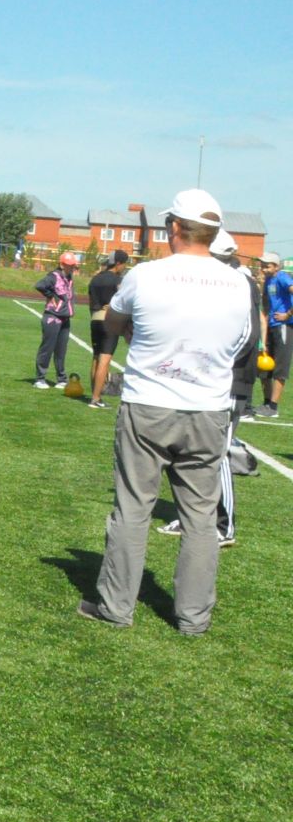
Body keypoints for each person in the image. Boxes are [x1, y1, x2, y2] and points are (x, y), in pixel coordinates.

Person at [78, 189, 251, 633]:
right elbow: (240, 345)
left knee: (133, 508)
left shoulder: (147, 274)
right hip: (208, 409)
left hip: (150, 404)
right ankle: (193, 618)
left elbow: (112, 320)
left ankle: (117, 607)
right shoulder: (237, 281)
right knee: (200, 517)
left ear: (174, 227)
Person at [158, 231, 259, 547]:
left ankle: (225, 524)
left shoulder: (239, 284)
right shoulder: (221, 283)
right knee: (190, 451)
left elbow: (247, 334)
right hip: (211, 380)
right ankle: (191, 516)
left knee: (219, 452)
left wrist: (215, 364)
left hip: (230, 382)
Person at [86, 251, 131, 408]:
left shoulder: (96, 278)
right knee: (105, 360)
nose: (124, 267)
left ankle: (94, 393)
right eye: (124, 264)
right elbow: (124, 301)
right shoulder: (119, 280)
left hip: (95, 319)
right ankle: (96, 399)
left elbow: (91, 301)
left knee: (96, 357)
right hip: (108, 320)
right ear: (118, 263)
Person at [32, 251, 80, 389]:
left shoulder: (69, 277)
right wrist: (50, 295)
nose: (72, 267)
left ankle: (61, 378)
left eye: (73, 265)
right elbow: (40, 285)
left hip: (65, 318)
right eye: (69, 265)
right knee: (47, 348)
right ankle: (40, 378)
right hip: (53, 317)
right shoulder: (53, 276)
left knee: (61, 349)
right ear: (62, 264)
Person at [261, 252, 290, 419]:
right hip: (271, 327)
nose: (264, 268)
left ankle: (273, 407)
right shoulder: (268, 281)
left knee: (280, 368)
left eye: (268, 265)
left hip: (283, 326)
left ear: (276, 267)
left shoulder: (282, 277)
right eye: (263, 265)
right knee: (265, 367)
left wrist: (288, 314)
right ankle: (266, 403)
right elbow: (265, 306)